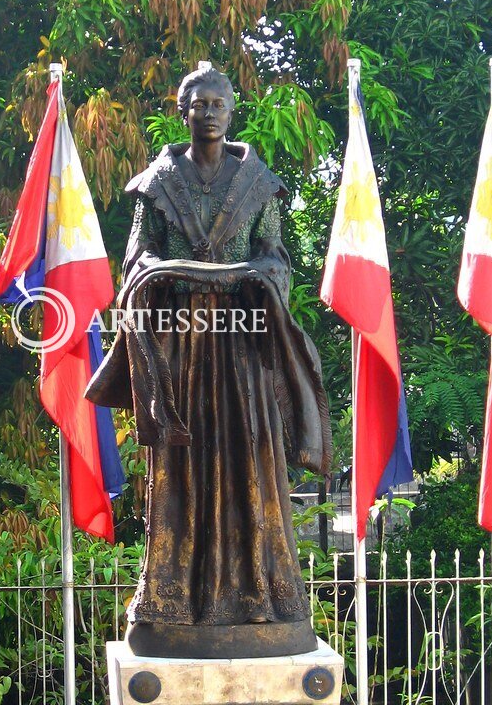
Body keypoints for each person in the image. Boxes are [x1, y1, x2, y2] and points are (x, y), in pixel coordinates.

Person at [86, 64, 332, 658]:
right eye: (198, 103)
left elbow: (277, 261)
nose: (209, 112)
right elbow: (136, 263)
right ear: (183, 111)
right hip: (181, 348)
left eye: (219, 102)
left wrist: (257, 278)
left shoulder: (259, 185)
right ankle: (173, 599)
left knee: (249, 457)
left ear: (232, 111)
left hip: (242, 349)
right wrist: (158, 277)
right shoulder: (156, 186)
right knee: (182, 465)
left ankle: (258, 597)